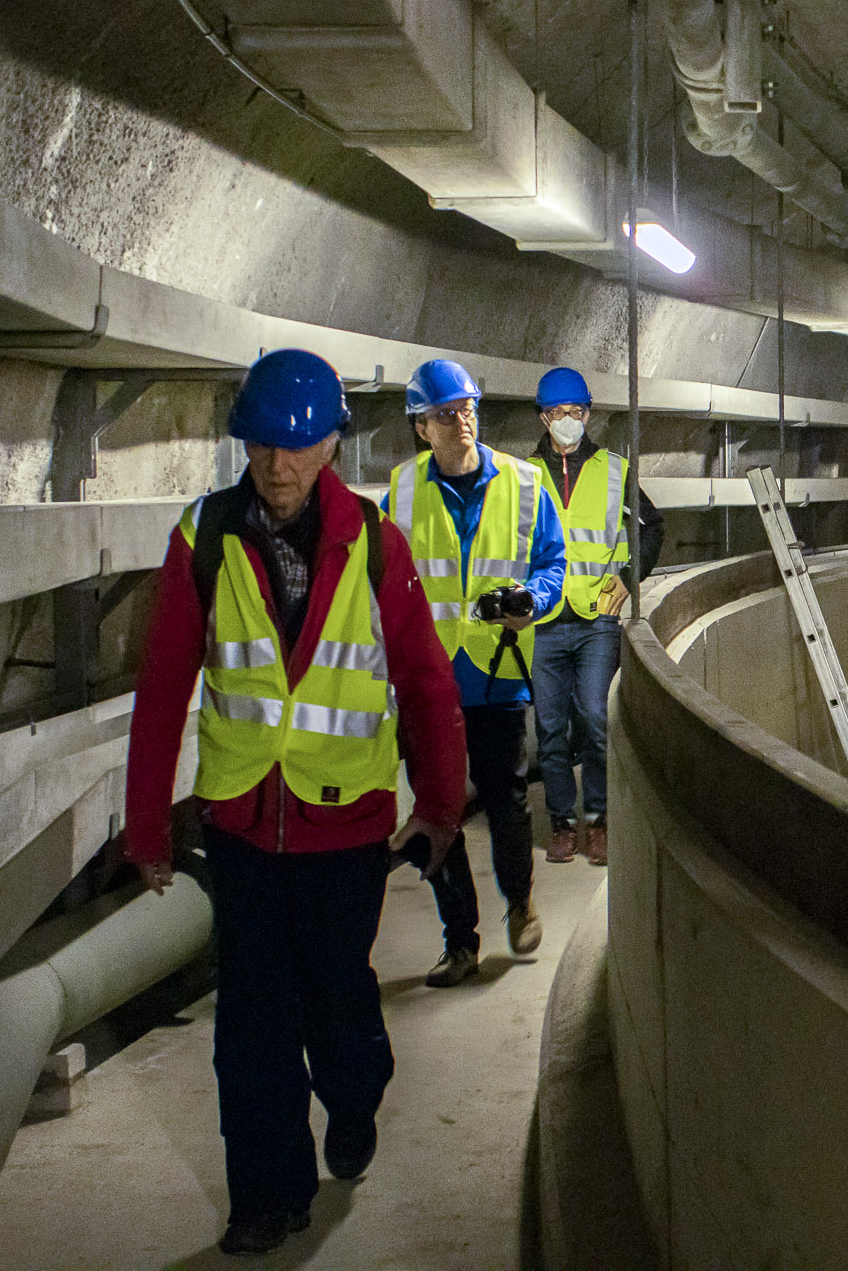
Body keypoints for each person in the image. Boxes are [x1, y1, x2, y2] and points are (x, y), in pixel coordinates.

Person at [123, 349, 467, 1258]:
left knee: (339, 1005)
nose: (279, 465)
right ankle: (263, 1198)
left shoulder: (377, 542)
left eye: (300, 445)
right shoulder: (204, 538)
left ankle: (354, 1099)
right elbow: (163, 688)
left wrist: (437, 803)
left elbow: (427, 683)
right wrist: (148, 823)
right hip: (240, 822)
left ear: (331, 445)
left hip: (344, 821)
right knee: (252, 1023)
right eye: (263, 444)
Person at [385, 358, 566, 987]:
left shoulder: (524, 481)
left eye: (466, 409)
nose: (460, 421)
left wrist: (532, 602)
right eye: (444, 414)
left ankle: (520, 902)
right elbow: (388, 583)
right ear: (421, 428)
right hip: (430, 680)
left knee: (506, 801)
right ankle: (458, 941)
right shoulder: (402, 492)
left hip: (496, 669)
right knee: (437, 813)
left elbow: (552, 561)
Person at [527, 367, 664, 866]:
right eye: (559, 413)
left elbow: (652, 527)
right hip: (542, 621)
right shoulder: (523, 475)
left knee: (594, 718)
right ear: (544, 417)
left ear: (589, 414)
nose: (569, 421)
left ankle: (599, 820)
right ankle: (562, 823)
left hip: (596, 619)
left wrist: (630, 578)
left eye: (578, 412)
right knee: (549, 726)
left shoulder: (613, 468)